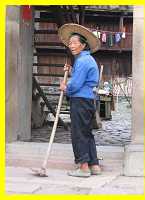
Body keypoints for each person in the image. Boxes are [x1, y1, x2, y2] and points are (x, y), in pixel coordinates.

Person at [58, 24, 101, 177]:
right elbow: (82, 78)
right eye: (70, 43)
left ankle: (83, 167)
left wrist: (65, 88)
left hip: (81, 100)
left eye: (75, 43)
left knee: (79, 134)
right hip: (88, 100)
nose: (72, 46)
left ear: (83, 45)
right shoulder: (87, 59)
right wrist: (71, 71)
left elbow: (75, 85)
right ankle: (94, 165)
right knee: (86, 132)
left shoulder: (82, 61)